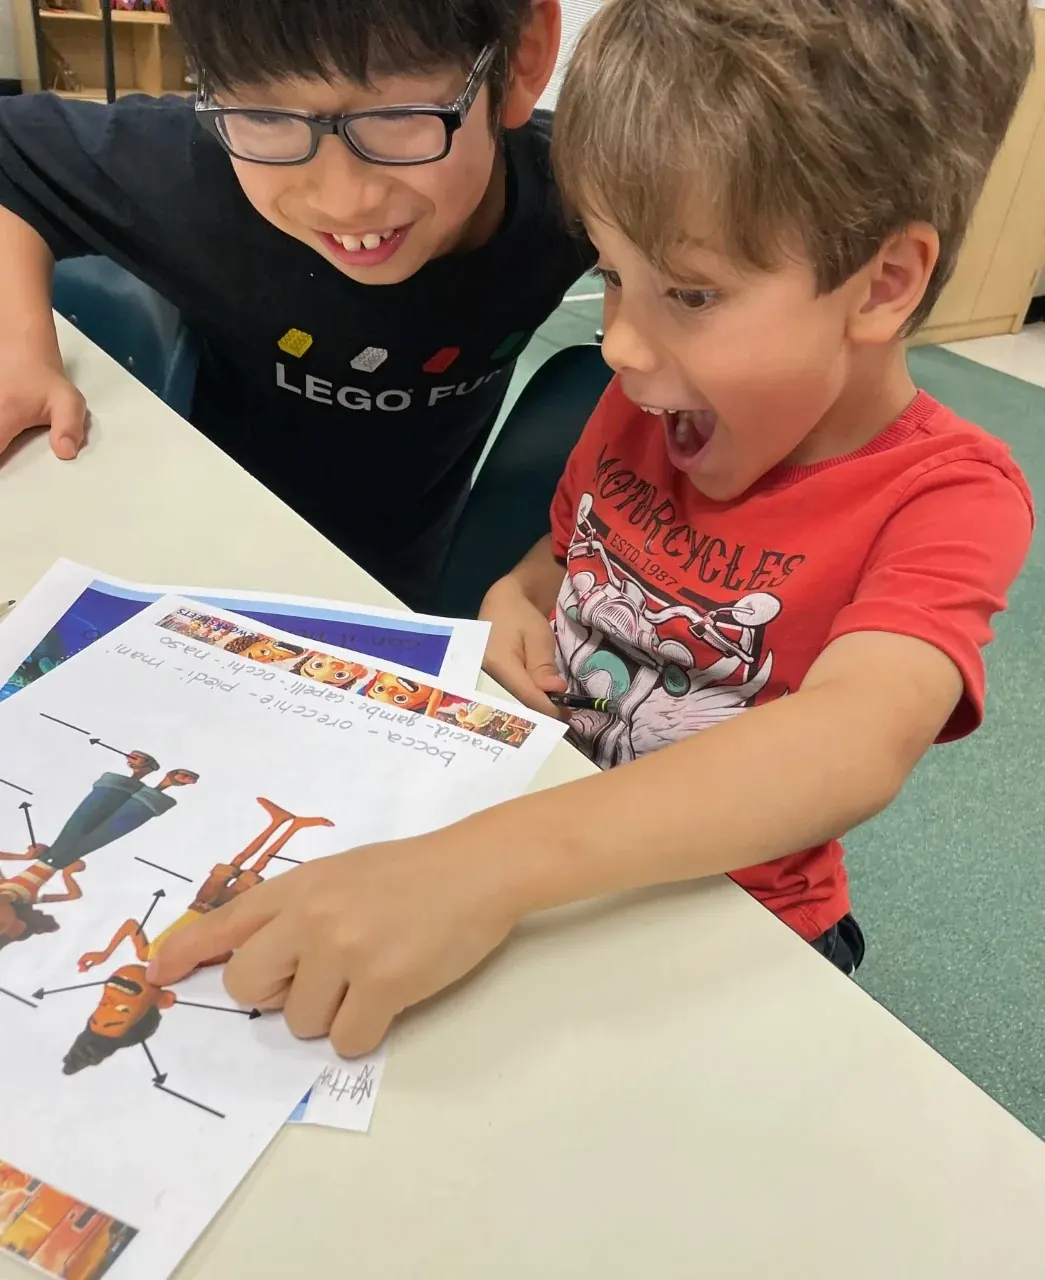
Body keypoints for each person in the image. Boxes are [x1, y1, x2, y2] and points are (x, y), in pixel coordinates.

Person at [147, 0, 1035, 1054]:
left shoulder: (947, 497)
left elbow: (856, 736)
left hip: (734, 928)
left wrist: (483, 866)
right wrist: (517, 595)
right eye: (611, 273)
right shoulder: (652, 406)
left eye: (690, 292)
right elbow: (568, 552)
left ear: (882, 284)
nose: (617, 342)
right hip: (533, 856)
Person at [0, 0, 591, 606]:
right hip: (204, 550)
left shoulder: (579, 193)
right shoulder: (196, 172)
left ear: (521, 55)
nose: (343, 200)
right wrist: (18, 348)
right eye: (265, 116)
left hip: (408, 571)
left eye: (399, 116)